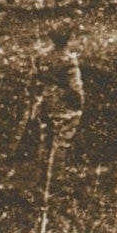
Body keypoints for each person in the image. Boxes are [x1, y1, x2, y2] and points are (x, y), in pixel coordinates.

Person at [37, 26, 86, 165]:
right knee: (61, 143)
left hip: (45, 102)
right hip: (63, 105)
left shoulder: (42, 56)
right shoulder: (68, 60)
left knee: (46, 141)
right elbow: (75, 86)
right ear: (68, 39)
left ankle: (42, 180)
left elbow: (36, 79)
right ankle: (55, 181)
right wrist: (81, 102)